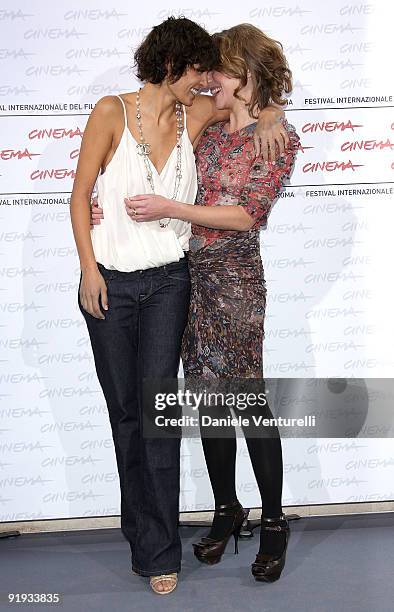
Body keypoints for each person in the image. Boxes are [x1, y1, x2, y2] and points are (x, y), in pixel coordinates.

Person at [72, 16, 287, 595]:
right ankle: (181, 525)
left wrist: (272, 112)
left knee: (197, 409)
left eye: (215, 71)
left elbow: (249, 188)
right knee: (152, 414)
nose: (208, 81)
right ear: (173, 67)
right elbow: (87, 188)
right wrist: (92, 252)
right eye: (200, 70)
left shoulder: (230, 125)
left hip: (198, 283)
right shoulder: (143, 113)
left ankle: (228, 535)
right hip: (147, 283)